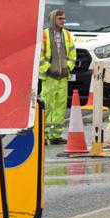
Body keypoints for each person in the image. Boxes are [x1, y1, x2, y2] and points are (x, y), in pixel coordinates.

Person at [39, 9, 76, 144]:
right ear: (53, 19)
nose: (63, 21)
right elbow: (39, 55)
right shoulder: (44, 35)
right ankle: (43, 135)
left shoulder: (67, 35)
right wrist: (48, 69)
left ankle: (55, 136)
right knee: (47, 106)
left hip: (63, 78)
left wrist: (68, 68)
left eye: (64, 18)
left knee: (60, 107)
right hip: (49, 78)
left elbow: (72, 55)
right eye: (60, 18)